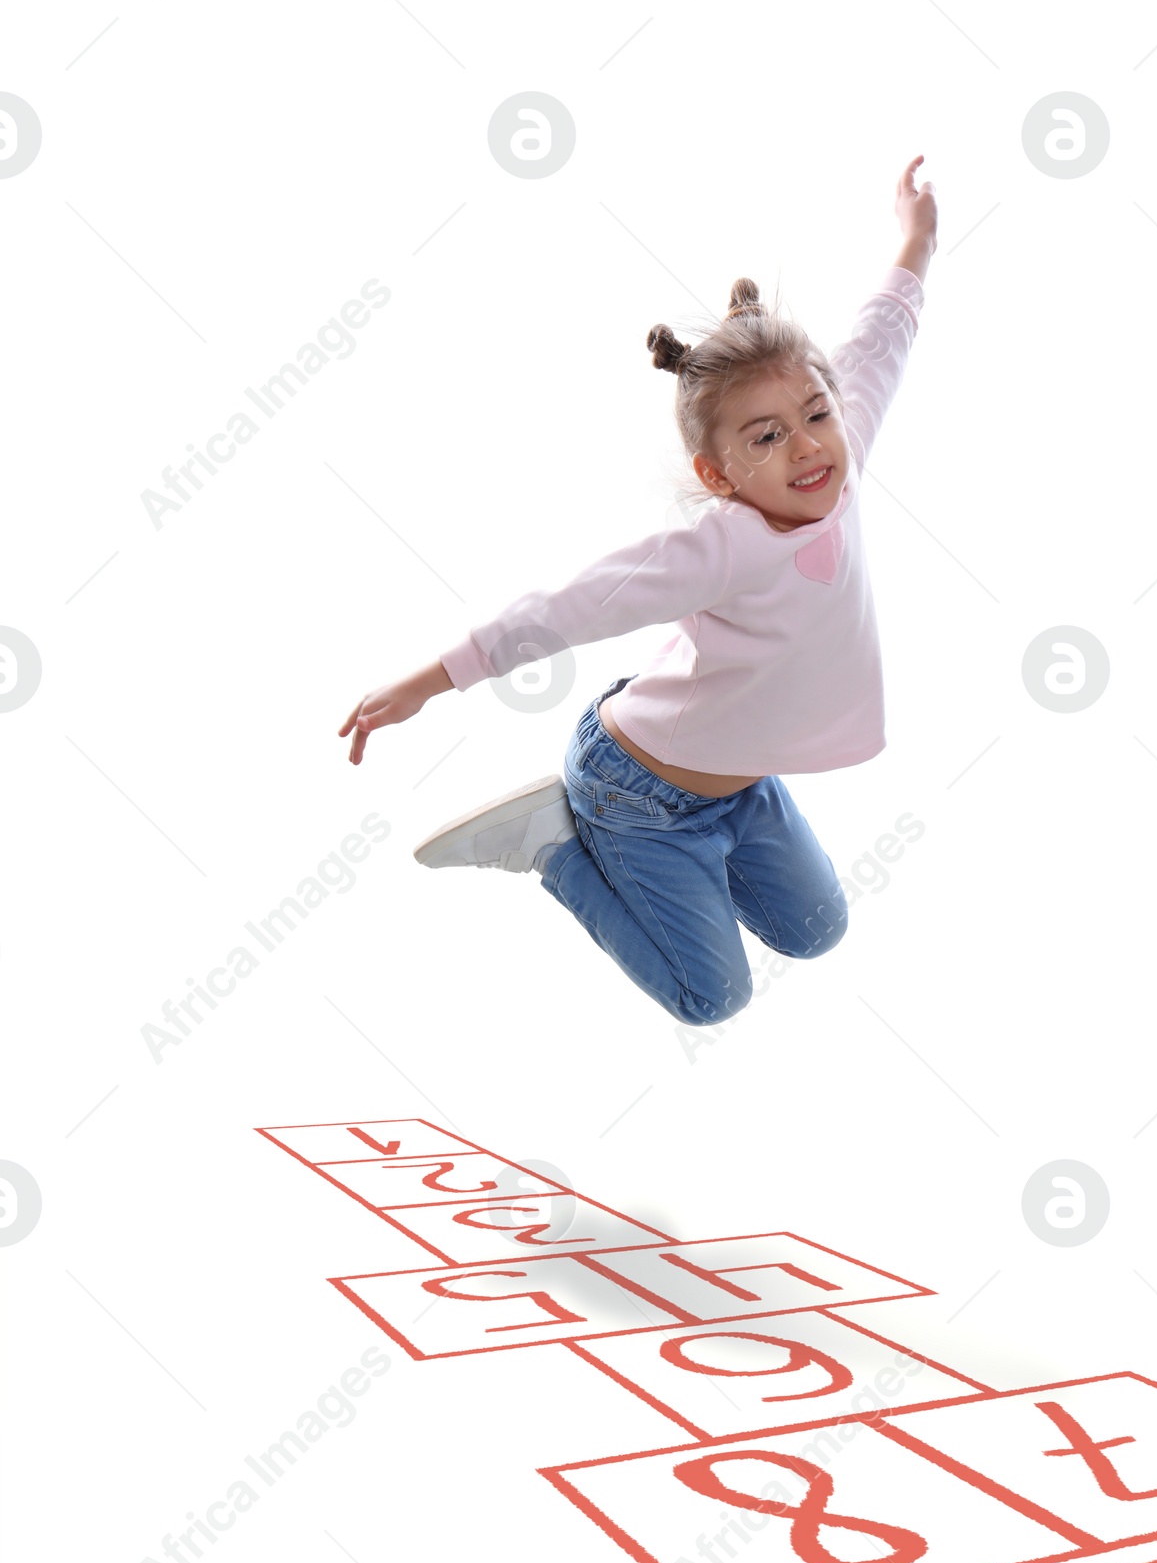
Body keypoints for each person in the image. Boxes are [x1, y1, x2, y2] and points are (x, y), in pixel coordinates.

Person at [339, 155, 937, 1026]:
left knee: (816, 932)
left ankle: (689, 862)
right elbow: (564, 607)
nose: (808, 447)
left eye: (815, 414)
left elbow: (882, 338)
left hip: (741, 786)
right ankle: (558, 846)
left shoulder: (839, 457)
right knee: (713, 996)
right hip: (641, 792)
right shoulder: (715, 548)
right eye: (767, 437)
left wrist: (915, 235)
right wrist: (427, 683)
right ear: (718, 471)